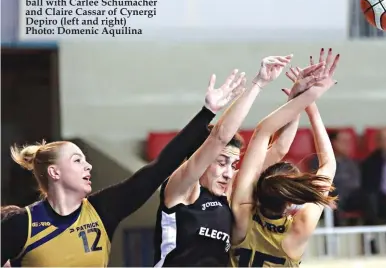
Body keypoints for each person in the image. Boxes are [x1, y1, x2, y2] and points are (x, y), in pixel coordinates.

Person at [0, 70, 246, 267]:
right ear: (55, 172)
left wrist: (207, 112)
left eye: (86, 159)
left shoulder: (103, 210)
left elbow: (160, 167)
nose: (88, 165)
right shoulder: (22, 224)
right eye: (77, 160)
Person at [154, 55, 305, 267]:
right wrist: (259, 83)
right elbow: (220, 137)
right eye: (221, 162)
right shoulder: (183, 190)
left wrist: (298, 101)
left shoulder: (229, 194)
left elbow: (279, 149)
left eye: (233, 165)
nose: (228, 172)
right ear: (202, 157)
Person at [230, 48, 339, 267]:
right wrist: (311, 106)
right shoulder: (299, 228)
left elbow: (262, 133)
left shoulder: (241, 214)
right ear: (290, 200)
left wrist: (302, 99)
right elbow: (328, 164)